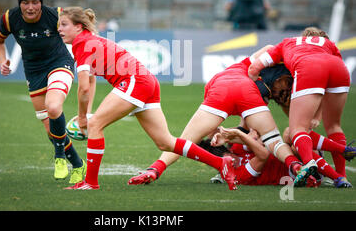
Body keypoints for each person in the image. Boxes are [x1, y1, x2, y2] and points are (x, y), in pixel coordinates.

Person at [57, 6, 238, 191]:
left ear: (79, 27)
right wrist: (85, 114)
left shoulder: (82, 43)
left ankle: (90, 183)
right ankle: (221, 163)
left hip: (134, 81)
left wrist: (82, 118)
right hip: (147, 81)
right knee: (165, 142)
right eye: (59, 25)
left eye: (64, 24)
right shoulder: (89, 40)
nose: (59, 29)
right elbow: (92, 81)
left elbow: (84, 88)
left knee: (95, 124)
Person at [128, 47, 312, 188]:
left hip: (222, 88)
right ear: (277, 78)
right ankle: (295, 166)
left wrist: (225, 134)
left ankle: (155, 169)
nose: (286, 92)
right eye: (287, 84)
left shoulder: (248, 68)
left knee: (183, 140)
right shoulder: (261, 84)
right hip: (243, 91)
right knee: (275, 141)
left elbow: (245, 127)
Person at [0, 0, 90, 183]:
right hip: (34, 72)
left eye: (35, 2)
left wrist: (89, 52)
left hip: (59, 63)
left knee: (53, 107)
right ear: (20, 4)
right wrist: (3, 60)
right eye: (26, 3)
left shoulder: (55, 15)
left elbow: (81, 27)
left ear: (41, 3)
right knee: (50, 129)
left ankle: (59, 157)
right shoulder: (10, 18)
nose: (30, 7)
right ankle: (79, 165)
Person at [248, 27, 351, 179]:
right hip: (338, 69)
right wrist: (318, 115)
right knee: (334, 126)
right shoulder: (329, 45)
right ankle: (342, 175)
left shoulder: (287, 43)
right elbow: (330, 74)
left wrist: (253, 88)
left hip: (308, 70)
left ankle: (310, 165)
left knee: (295, 130)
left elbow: (253, 67)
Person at [206, 126, 353, 188]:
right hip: (301, 176)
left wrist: (238, 136)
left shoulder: (238, 149)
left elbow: (258, 135)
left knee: (291, 132)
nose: (229, 162)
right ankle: (337, 177)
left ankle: (344, 150)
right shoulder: (239, 176)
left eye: (224, 158)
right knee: (293, 146)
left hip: (305, 157)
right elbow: (263, 154)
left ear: (226, 152)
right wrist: (239, 135)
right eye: (222, 164)